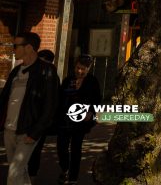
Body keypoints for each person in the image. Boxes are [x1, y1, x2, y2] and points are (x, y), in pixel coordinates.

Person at [0, 31, 60, 185]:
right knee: (21, 171)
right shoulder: (16, 71)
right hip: (9, 129)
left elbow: (50, 106)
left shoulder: (47, 71)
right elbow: (4, 99)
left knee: (14, 173)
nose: (13, 49)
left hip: (28, 131)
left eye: (16, 46)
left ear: (29, 48)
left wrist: (35, 132)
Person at [57, 54, 101, 184]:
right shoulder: (68, 80)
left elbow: (97, 100)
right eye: (77, 67)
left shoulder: (92, 81)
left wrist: (91, 112)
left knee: (76, 148)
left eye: (83, 69)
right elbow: (60, 97)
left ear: (88, 69)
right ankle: (65, 168)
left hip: (80, 121)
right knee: (61, 147)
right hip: (65, 119)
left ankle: (73, 178)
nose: (79, 71)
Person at [27, 49, 55, 180]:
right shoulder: (30, 72)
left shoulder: (52, 77)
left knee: (35, 149)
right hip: (27, 119)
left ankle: (31, 174)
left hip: (40, 121)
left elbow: (51, 104)